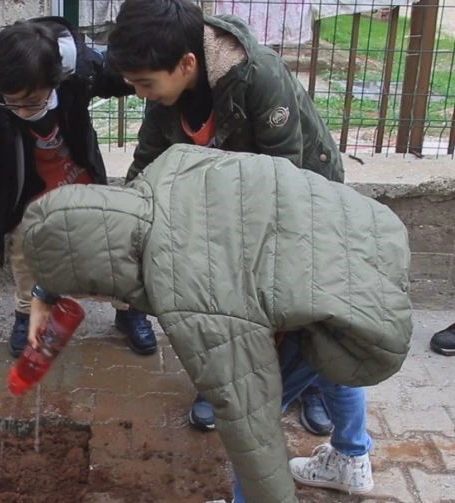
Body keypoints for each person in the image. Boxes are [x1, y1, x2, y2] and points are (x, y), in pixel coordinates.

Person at [20, 145, 412, 502]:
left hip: (344, 291)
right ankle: (351, 457)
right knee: (327, 338)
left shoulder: (189, 293)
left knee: (252, 416)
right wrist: (43, 295)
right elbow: (78, 232)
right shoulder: (169, 166)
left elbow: (249, 419)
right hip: (359, 235)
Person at [105, 0, 345, 435]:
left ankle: (309, 384)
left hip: (302, 193)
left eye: (145, 84)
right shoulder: (164, 93)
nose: (140, 94)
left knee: (293, 298)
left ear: (187, 63)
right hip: (223, 202)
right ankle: (224, 383)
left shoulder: (258, 76)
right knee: (214, 292)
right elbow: (147, 162)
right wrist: (125, 231)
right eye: (133, 84)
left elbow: (284, 180)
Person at [0, 17, 157, 358]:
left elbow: (124, 74)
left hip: (77, 177)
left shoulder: (79, 71)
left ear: (55, 81)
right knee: (24, 249)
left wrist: (151, 78)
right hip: (26, 190)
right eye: (13, 103)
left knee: (114, 245)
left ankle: (129, 310)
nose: (22, 111)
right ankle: (26, 313)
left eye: (33, 101)